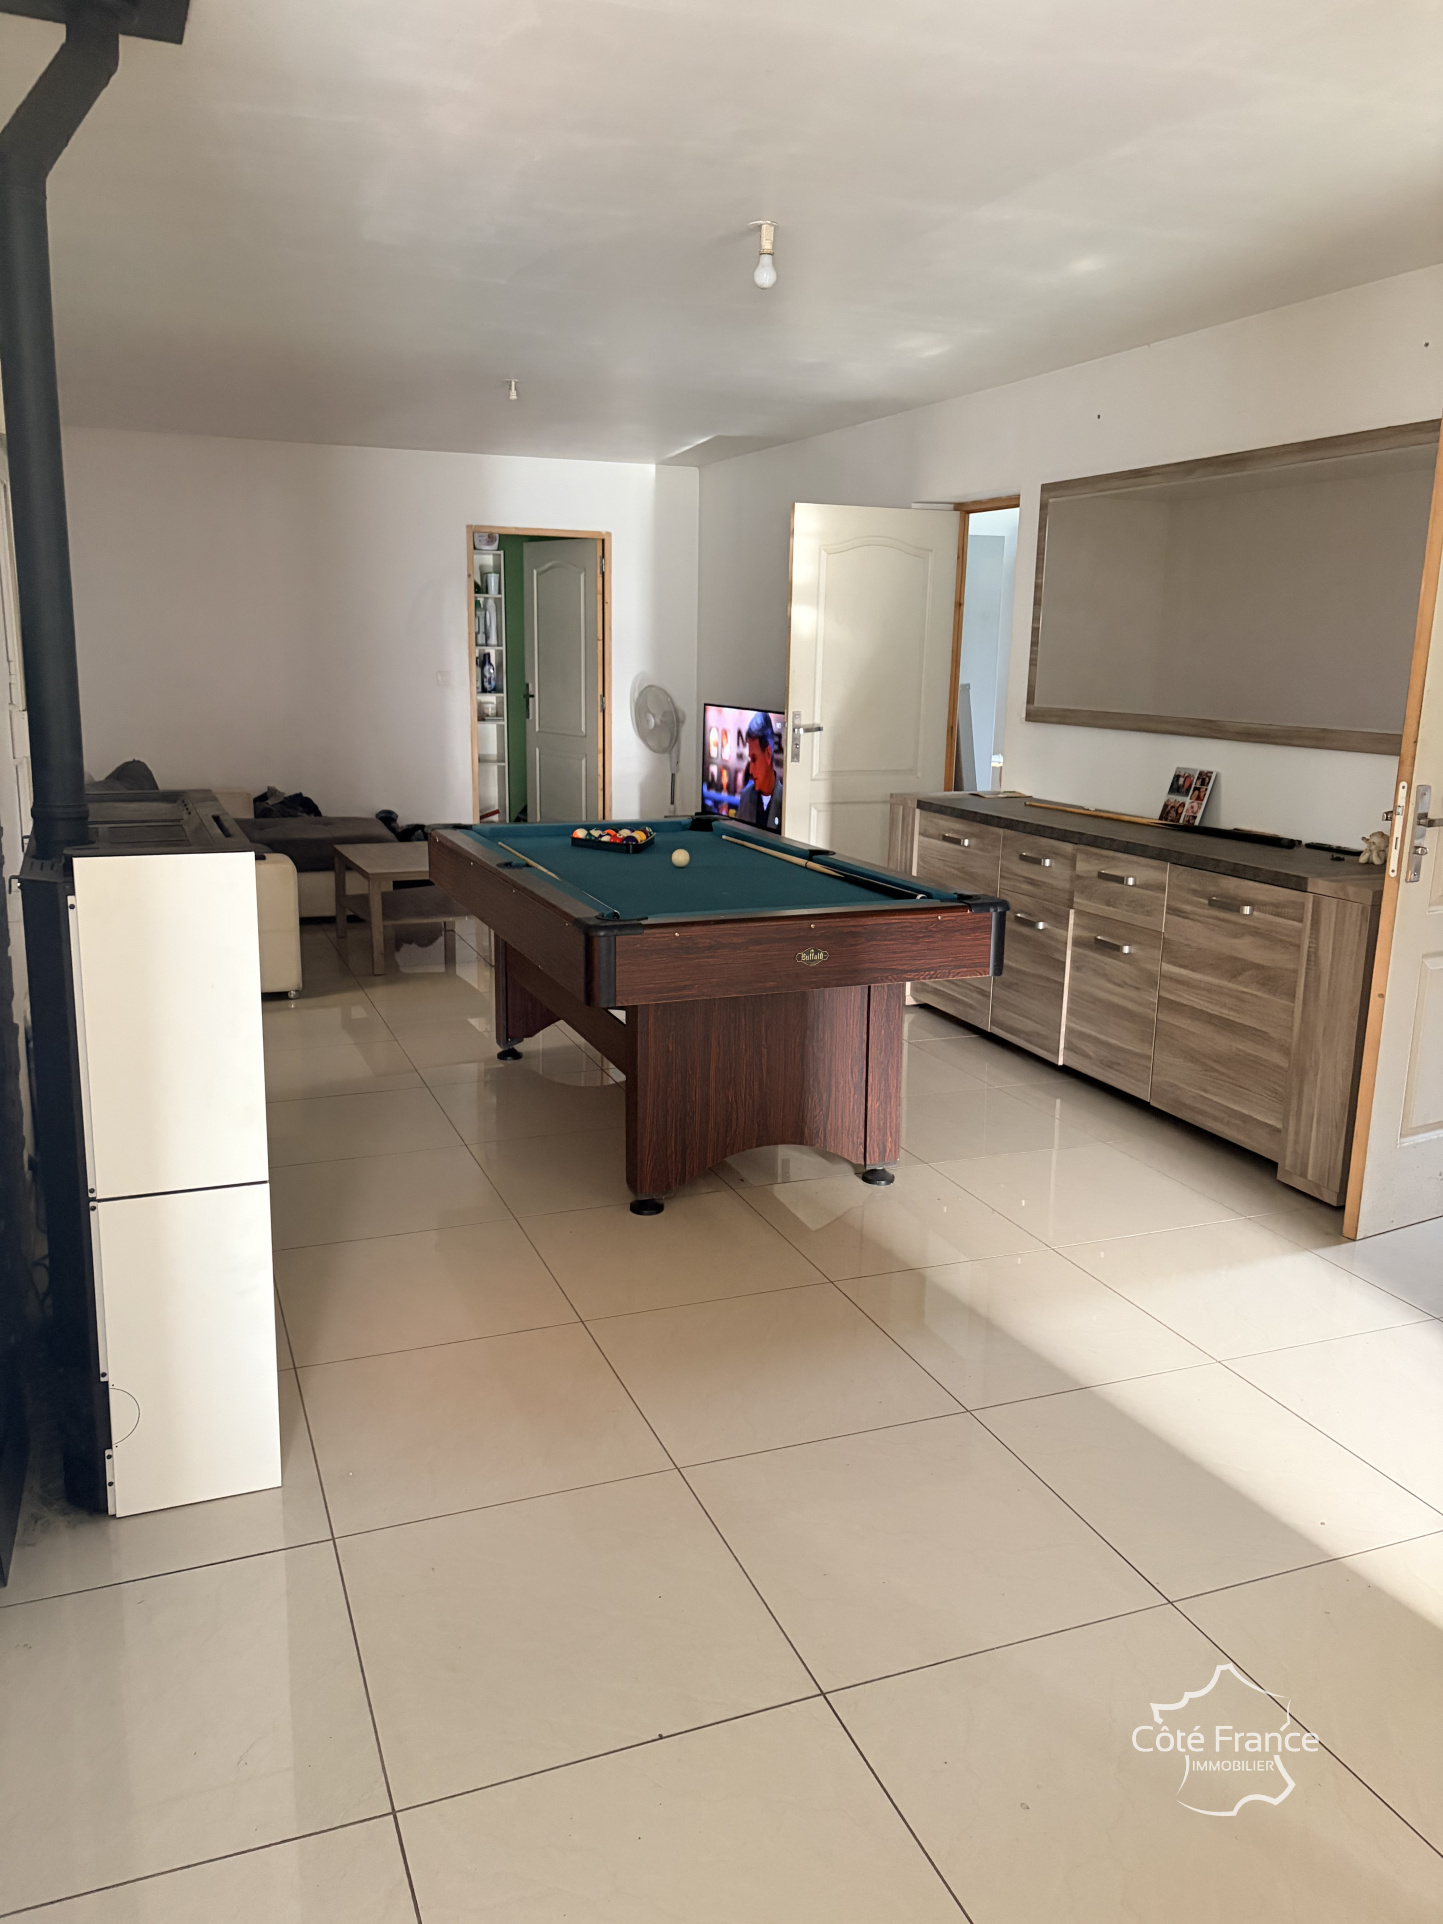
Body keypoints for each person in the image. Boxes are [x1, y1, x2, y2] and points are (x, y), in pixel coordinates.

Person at [735, 712, 783, 831]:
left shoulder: (786, 801)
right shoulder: (745, 797)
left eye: (754, 759)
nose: (750, 770)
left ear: (768, 754)